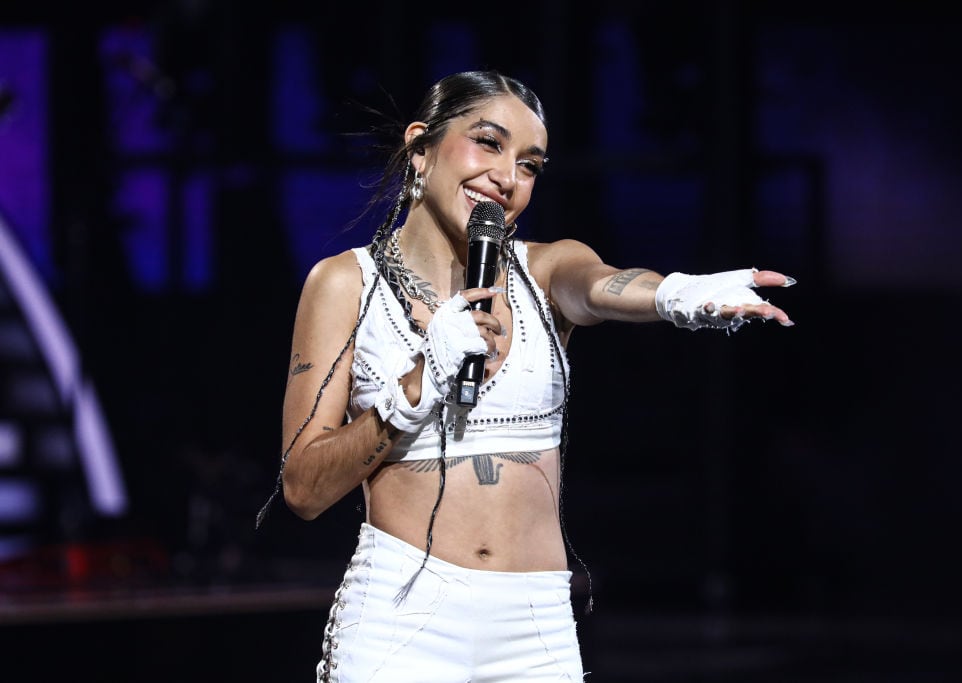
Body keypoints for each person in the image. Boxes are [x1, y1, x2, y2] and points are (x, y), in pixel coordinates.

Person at [255, 69, 795, 682]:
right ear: (420, 147)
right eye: (488, 141)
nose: (508, 178)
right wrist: (418, 385)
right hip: (399, 623)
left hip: (533, 627)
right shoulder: (345, 285)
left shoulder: (545, 271)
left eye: (531, 164)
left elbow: (602, 285)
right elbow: (302, 489)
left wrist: (678, 293)